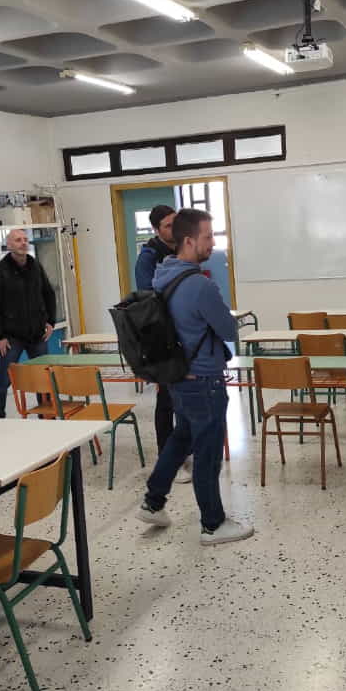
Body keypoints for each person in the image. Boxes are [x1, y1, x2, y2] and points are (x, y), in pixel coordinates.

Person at [135, 208, 252, 546]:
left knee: (180, 439)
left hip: (178, 377)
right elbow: (228, 329)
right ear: (188, 241)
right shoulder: (200, 285)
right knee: (208, 452)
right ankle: (213, 524)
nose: (212, 243)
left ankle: (153, 501)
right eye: (207, 237)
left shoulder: (163, 275)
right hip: (204, 380)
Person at [134, 205, 190, 481]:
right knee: (167, 398)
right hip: (161, 336)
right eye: (168, 225)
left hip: (185, 333)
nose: (174, 228)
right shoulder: (148, 257)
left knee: (186, 396)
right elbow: (148, 297)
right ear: (156, 230)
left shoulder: (182, 249)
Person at [0, 228, 57, 418]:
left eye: (25, 239)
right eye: (18, 240)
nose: (23, 243)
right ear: (8, 245)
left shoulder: (36, 267)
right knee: (4, 379)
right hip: (11, 337)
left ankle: (48, 416)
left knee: (43, 377)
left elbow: (49, 294)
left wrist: (51, 321)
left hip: (37, 333)